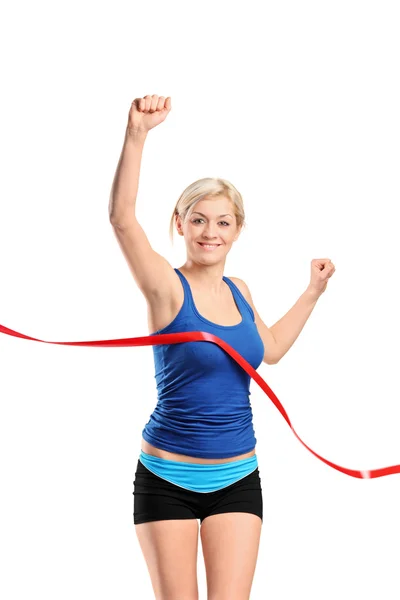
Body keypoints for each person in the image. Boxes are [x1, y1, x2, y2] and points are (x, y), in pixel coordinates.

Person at [109, 94, 335, 600]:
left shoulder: (240, 291)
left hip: (239, 475)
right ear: (180, 223)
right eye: (199, 219)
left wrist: (312, 292)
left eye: (223, 222)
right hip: (168, 476)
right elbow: (122, 220)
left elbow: (271, 349)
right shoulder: (166, 288)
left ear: (237, 230)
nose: (210, 232)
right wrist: (137, 135)